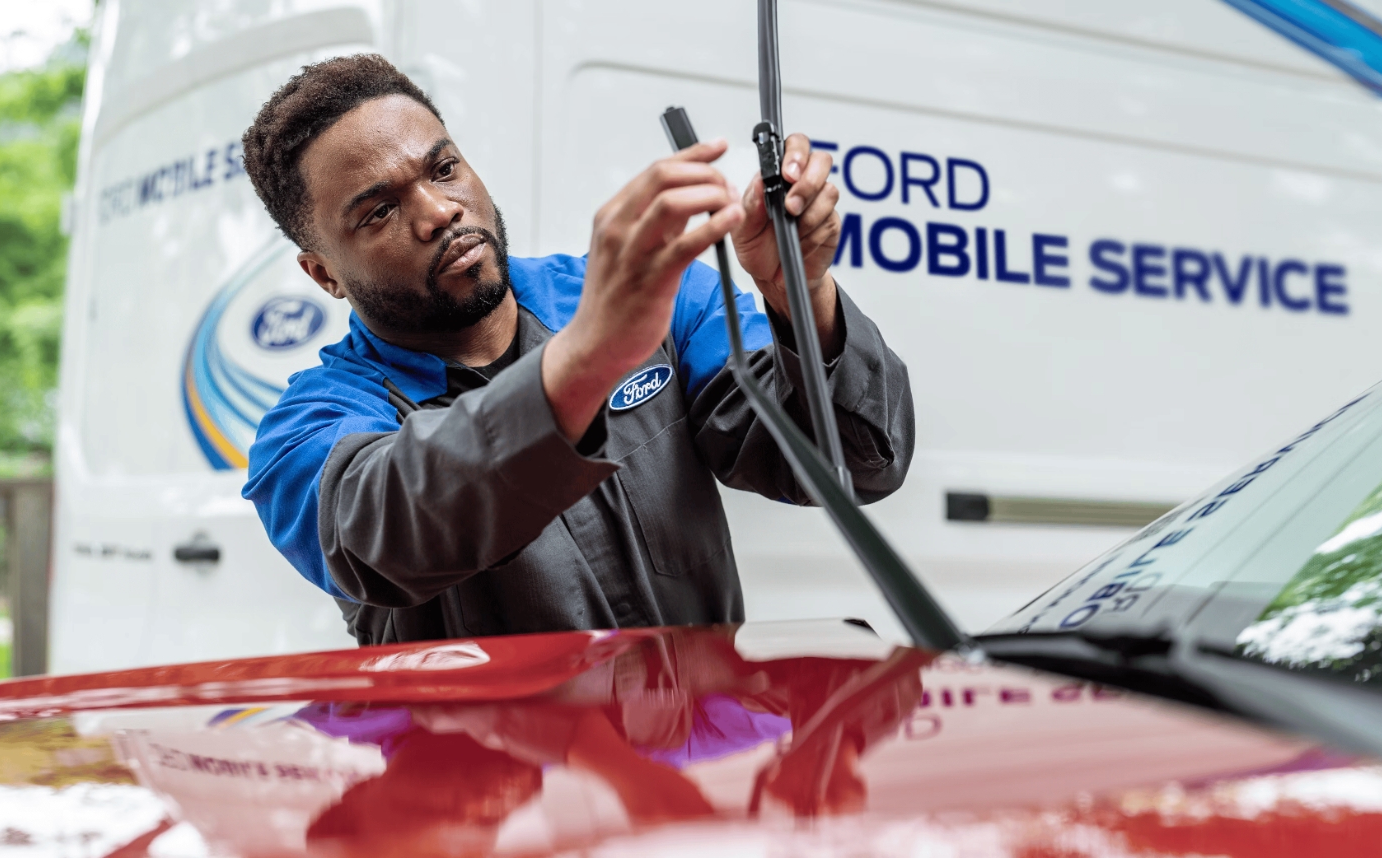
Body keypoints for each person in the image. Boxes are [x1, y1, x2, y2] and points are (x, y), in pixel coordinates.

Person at [240, 54, 914, 644]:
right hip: (487, 789)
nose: (439, 210)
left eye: (443, 168)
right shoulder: (306, 431)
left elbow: (859, 461)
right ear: (323, 273)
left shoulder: (661, 300)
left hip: (695, 775)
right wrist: (589, 356)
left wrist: (799, 291)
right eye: (378, 210)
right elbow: (384, 529)